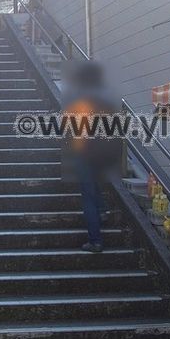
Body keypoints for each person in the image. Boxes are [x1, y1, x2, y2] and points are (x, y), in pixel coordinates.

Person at [61, 61, 117, 253]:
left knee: (88, 198)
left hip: (84, 154)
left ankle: (95, 241)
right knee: (95, 187)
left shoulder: (78, 102)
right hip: (101, 153)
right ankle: (103, 211)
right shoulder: (103, 100)